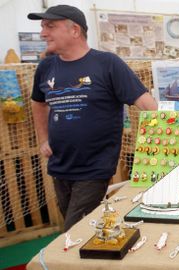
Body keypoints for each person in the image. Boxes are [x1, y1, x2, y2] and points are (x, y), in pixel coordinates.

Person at [28, 5, 158, 231]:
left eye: (50, 26)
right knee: (78, 231)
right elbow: (38, 102)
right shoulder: (46, 66)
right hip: (60, 165)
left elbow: (147, 104)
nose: (42, 33)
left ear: (75, 30)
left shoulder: (107, 64)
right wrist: (43, 139)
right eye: (42, 27)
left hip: (94, 168)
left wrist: (175, 147)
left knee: (73, 231)